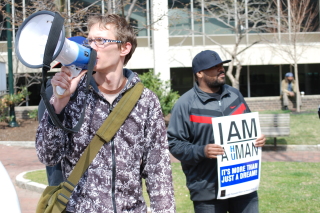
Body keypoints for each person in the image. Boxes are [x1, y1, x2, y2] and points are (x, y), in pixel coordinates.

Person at [36, 14, 175, 212]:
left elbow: (158, 170)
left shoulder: (146, 100)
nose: (92, 46)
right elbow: (48, 156)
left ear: (124, 48)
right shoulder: (72, 94)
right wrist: (58, 103)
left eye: (101, 40)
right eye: (90, 40)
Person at [167, 50, 265, 213]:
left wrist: (257, 139)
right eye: (214, 67)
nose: (221, 69)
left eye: (221, 65)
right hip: (207, 190)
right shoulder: (185, 104)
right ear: (199, 73)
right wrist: (202, 150)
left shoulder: (235, 95)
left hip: (243, 185)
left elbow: (248, 129)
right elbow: (175, 144)